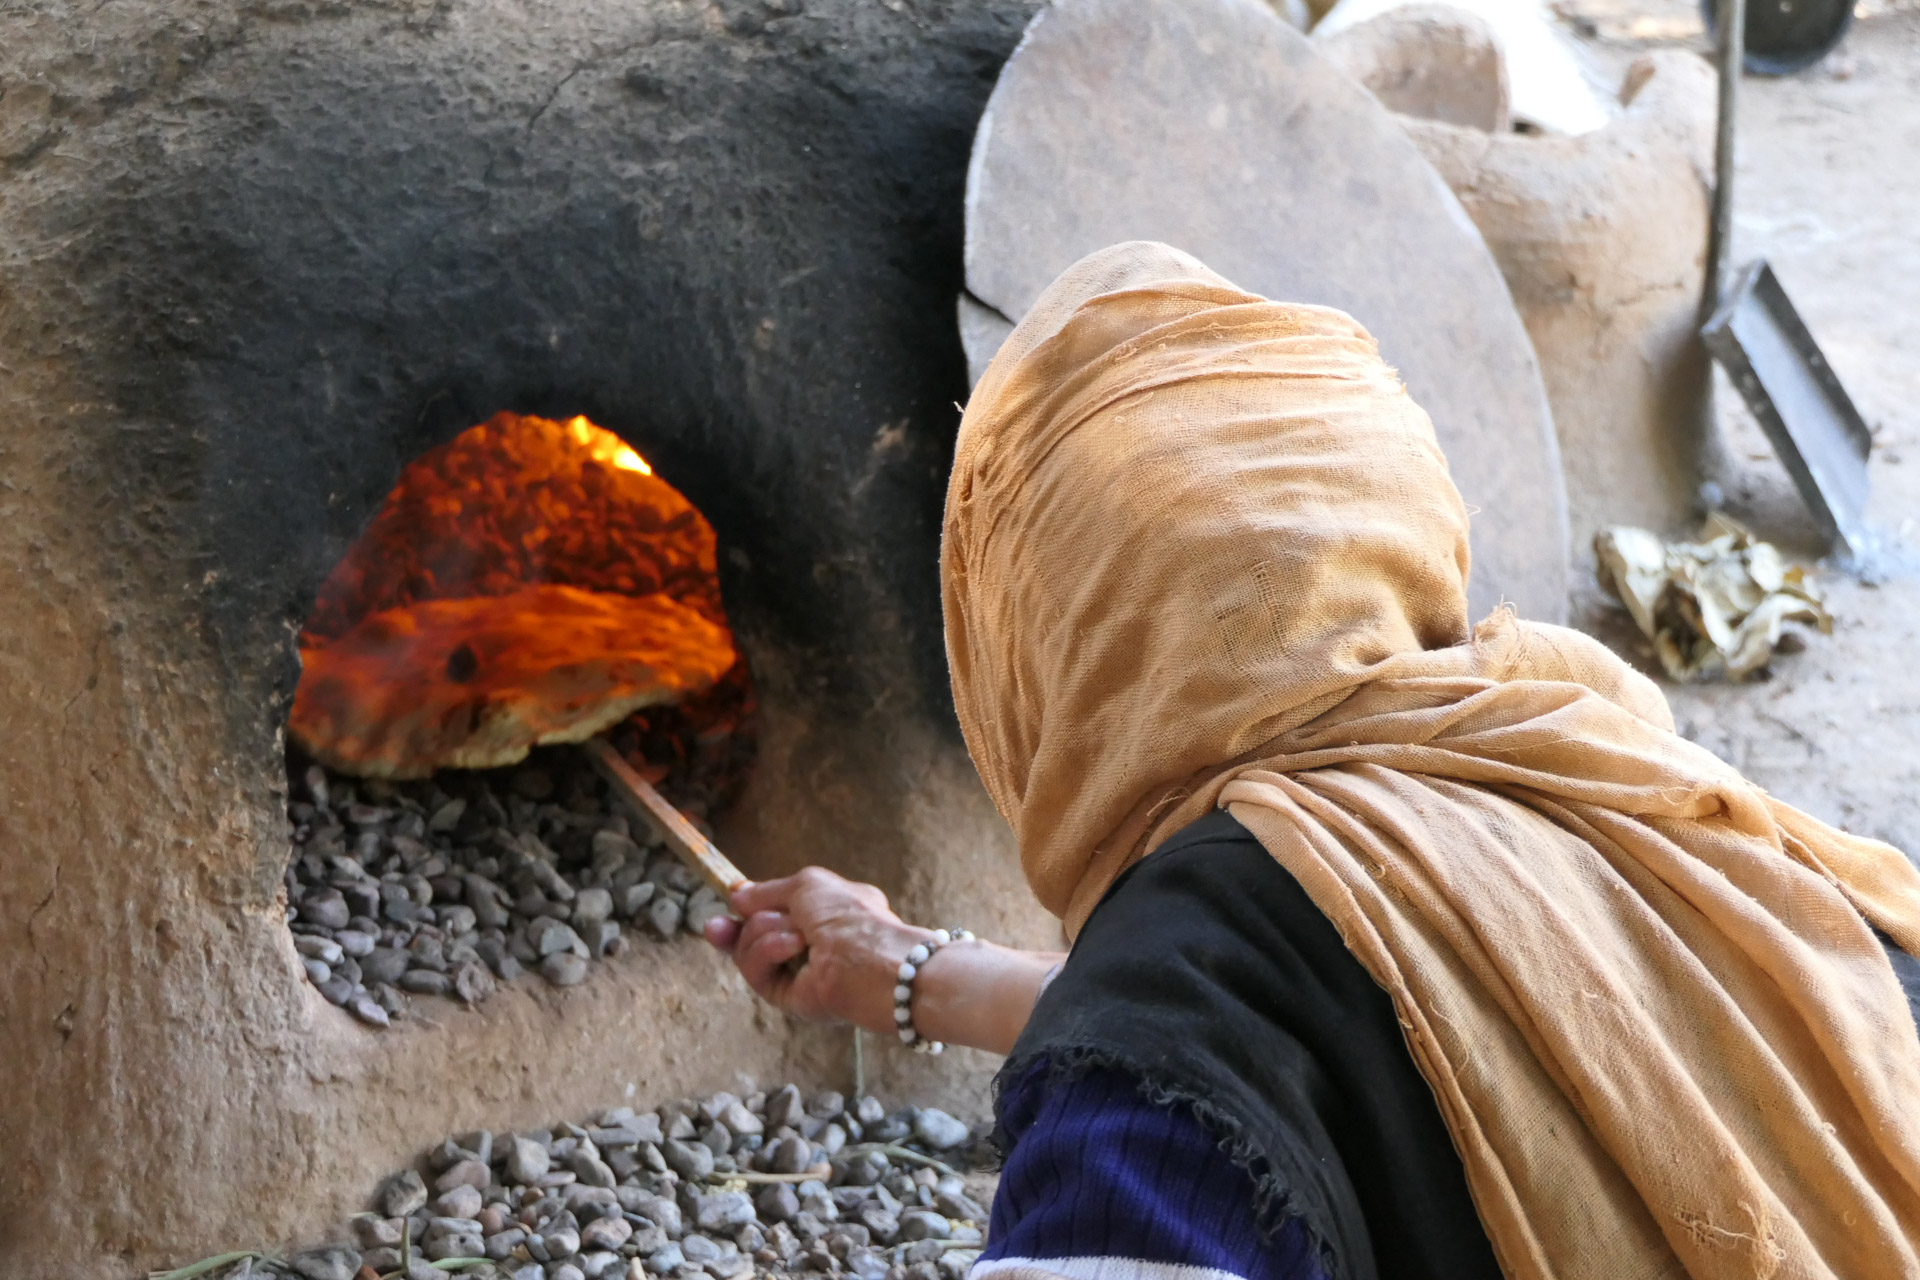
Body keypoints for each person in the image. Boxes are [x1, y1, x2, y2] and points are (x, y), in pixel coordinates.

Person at [705, 242, 1920, 1280]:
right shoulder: (1637, 790)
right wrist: (917, 969)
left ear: (1036, 648)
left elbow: (1219, 1038)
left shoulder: (1160, 1050)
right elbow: (1396, 1023)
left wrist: (1102, 1017)